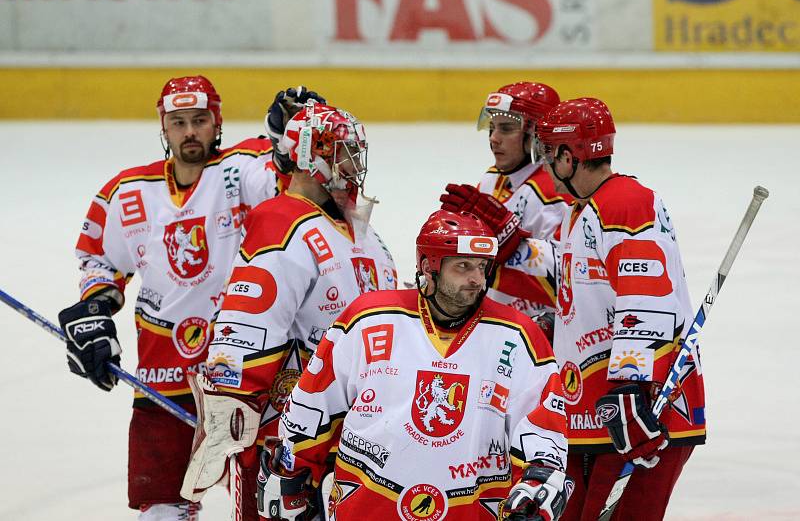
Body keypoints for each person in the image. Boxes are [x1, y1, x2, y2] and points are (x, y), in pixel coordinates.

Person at [57, 75, 322, 520]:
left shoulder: (244, 168)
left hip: (246, 379)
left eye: (200, 120)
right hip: (164, 376)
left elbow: (285, 182)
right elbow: (98, 257)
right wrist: (95, 311)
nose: (190, 132)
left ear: (217, 122)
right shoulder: (127, 192)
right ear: (163, 127)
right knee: (160, 509)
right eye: (178, 122)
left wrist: (286, 136)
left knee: (268, 509)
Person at [258, 210, 574, 521]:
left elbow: (542, 424)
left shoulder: (518, 335)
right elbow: (314, 403)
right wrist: (292, 465)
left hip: (471, 510)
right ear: (428, 266)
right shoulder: (369, 318)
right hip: (369, 508)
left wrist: (540, 477)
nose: (477, 279)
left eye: (481, 267)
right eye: (463, 266)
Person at [180, 101, 398, 520]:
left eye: (356, 152)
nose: (354, 163)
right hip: (286, 431)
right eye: (342, 151)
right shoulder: (282, 218)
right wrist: (232, 397)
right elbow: (250, 314)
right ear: (306, 155)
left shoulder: (366, 235)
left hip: (356, 426)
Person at [535, 98, 706, 520]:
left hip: (642, 415)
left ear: (567, 156)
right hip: (595, 411)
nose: (543, 166)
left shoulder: (624, 201)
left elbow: (644, 296)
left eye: (547, 154)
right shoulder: (581, 211)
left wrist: (629, 386)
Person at [440, 82, 571, 335]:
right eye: (491, 127)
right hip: (492, 320)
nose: (493, 138)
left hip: (536, 331)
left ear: (538, 135)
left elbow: (570, 275)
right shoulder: (493, 179)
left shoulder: (552, 192)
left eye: (506, 128)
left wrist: (511, 244)